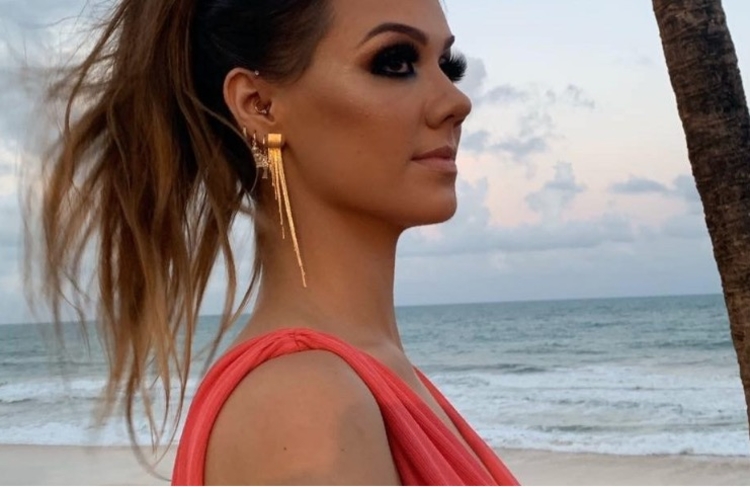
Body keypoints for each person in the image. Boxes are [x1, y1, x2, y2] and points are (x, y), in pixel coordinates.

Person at [27, 0, 519, 484]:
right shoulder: (303, 407)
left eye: (447, 65)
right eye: (394, 62)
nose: (457, 102)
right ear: (258, 105)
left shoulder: (365, 376)